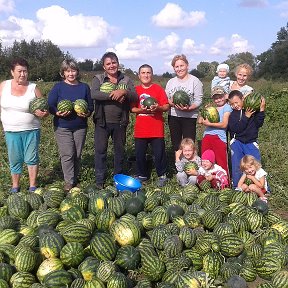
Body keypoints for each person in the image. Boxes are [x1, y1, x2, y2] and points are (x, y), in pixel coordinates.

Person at [0, 58, 48, 193]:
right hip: (11, 130)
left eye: (25, 71)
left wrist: (43, 114)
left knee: (31, 158)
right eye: (19, 71)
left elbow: (45, 109)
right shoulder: (3, 86)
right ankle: (15, 186)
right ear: (12, 72)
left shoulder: (33, 88)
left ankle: (33, 186)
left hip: (31, 129)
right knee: (14, 158)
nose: (22, 74)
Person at [91, 52, 138, 188]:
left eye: (114, 63)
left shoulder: (126, 80)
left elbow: (134, 96)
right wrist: (114, 95)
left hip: (120, 122)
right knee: (100, 151)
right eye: (108, 64)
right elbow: (94, 93)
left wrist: (124, 92)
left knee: (119, 152)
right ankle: (100, 181)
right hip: (102, 122)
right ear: (104, 67)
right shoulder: (98, 79)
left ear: (118, 63)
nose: (112, 66)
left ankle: (118, 179)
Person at [48, 59, 94, 192]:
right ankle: (69, 181)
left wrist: (87, 113)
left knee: (77, 154)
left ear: (77, 72)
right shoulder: (58, 87)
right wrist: (57, 112)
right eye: (68, 71)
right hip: (62, 126)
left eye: (73, 70)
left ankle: (74, 176)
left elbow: (90, 106)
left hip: (80, 126)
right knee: (67, 154)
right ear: (63, 73)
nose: (71, 73)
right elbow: (50, 105)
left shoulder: (84, 87)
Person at [131, 64, 170, 187]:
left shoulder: (158, 89)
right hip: (141, 129)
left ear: (152, 75)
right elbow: (132, 109)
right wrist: (142, 110)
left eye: (148, 73)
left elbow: (166, 106)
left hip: (156, 128)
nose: (146, 75)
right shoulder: (135, 90)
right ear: (139, 75)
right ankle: (142, 175)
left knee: (159, 154)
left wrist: (157, 107)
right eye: (143, 73)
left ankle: (162, 175)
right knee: (139, 154)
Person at [165, 54, 203, 157]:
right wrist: (171, 103)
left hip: (189, 117)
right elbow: (166, 99)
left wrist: (189, 108)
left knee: (189, 144)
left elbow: (198, 100)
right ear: (174, 68)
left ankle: (191, 168)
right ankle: (179, 167)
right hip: (173, 116)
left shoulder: (195, 81)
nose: (179, 68)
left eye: (182, 65)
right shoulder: (170, 82)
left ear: (187, 65)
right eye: (176, 66)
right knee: (176, 144)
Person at [227, 89, 266, 188]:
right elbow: (237, 129)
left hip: (251, 142)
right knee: (237, 165)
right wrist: (246, 117)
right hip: (237, 142)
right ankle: (238, 187)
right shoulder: (233, 115)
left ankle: (263, 188)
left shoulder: (252, 110)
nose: (235, 105)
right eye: (232, 104)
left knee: (255, 165)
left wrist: (261, 110)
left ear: (242, 99)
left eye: (236, 102)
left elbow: (259, 124)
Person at [198, 86, 232, 177]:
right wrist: (204, 111)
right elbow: (200, 121)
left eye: (220, 97)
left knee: (221, 161)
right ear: (213, 99)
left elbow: (224, 124)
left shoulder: (227, 107)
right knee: (205, 161)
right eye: (215, 98)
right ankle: (206, 182)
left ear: (225, 96)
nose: (218, 100)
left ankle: (224, 183)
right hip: (207, 136)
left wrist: (209, 124)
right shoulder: (212, 109)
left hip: (219, 137)